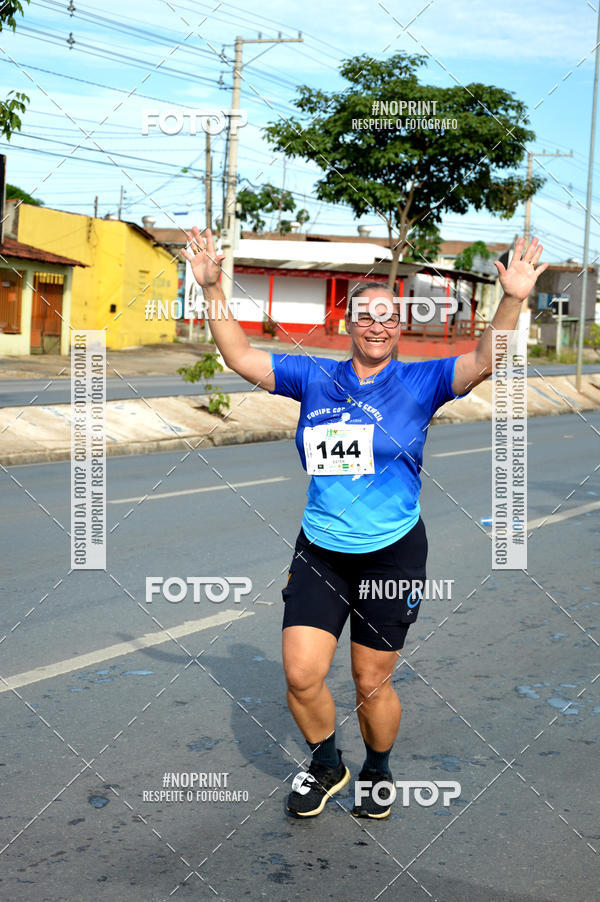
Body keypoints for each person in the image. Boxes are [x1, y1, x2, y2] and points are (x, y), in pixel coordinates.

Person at [182, 227, 547, 819]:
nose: (377, 325)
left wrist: (514, 299)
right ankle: (327, 762)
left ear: (398, 325)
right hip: (321, 548)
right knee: (301, 677)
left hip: (392, 553)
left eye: (387, 316)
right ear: (349, 322)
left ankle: (377, 766)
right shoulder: (315, 378)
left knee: (370, 682)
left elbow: (485, 359)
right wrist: (212, 288)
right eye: (365, 315)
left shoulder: (423, 382)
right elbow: (240, 356)